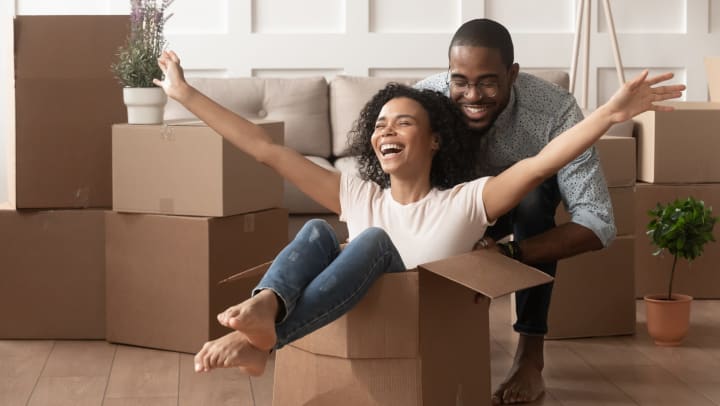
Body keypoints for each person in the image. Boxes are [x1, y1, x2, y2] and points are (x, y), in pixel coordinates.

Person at [152, 51, 683, 393]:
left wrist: (609, 115)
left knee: (374, 242)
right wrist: (184, 93)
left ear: (434, 141)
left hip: (414, 323)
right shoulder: (357, 193)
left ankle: (265, 341)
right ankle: (266, 309)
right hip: (352, 312)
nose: (387, 130)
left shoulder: (465, 203)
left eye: (403, 122)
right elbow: (265, 149)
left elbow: (542, 163)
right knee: (317, 231)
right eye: (380, 123)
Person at [414, 18, 620, 404]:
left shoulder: (555, 110)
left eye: (488, 82)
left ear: (513, 74)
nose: (472, 95)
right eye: (460, 81)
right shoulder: (426, 100)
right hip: (451, 202)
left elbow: (598, 223)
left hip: (521, 208)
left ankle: (530, 355)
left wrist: (507, 253)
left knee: (532, 203)